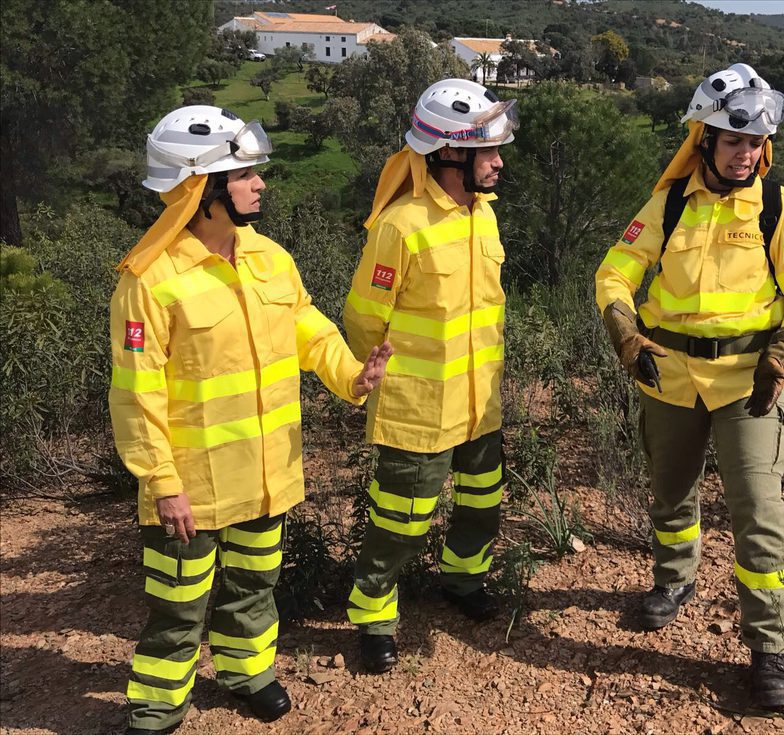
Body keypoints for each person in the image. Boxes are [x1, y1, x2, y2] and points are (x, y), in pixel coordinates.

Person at [109, 105, 392, 734]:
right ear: (200, 188)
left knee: (254, 586)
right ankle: (157, 705)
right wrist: (162, 483)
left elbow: (307, 327)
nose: (260, 184)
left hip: (267, 475)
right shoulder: (150, 282)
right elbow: (136, 394)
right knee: (179, 608)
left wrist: (352, 374)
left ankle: (247, 673)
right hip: (192, 490)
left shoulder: (269, 257)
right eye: (242, 174)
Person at [595, 64, 784, 709]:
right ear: (704, 139)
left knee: (759, 513)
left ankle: (770, 649)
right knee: (671, 494)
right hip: (668, 374)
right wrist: (625, 329)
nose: (745, 154)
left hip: (751, 382)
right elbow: (616, 272)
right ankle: (673, 581)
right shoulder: (668, 202)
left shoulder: (778, 206)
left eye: (754, 143)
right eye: (733, 142)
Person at [341, 78, 517, 673]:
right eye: (487, 151)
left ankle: (463, 583)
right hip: (417, 409)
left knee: (480, 504)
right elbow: (364, 318)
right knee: (400, 520)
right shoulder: (401, 226)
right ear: (449, 154)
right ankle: (373, 614)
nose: (498, 162)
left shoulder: (482, 218)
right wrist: (378, 384)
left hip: (479, 405)